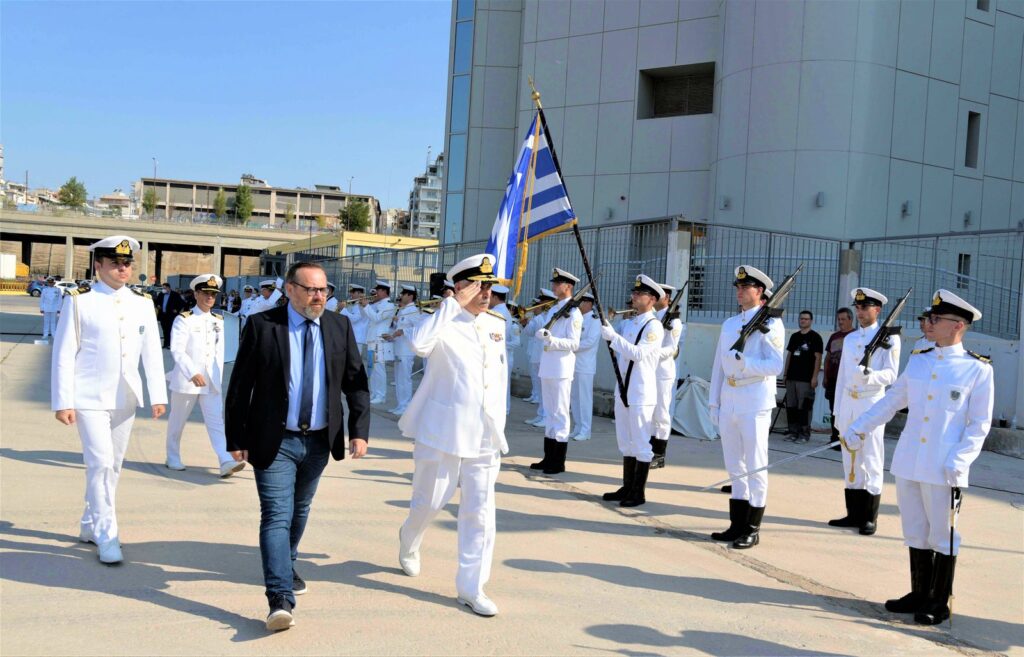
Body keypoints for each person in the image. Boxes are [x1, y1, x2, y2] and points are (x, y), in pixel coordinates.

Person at [225, 261, 370, 632]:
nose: (319, 296)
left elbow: (355, 382)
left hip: (319, 440)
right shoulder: (263, 325)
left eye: (324, 290)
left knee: (300, 507)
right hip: (275, 440)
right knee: (276, 513)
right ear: (290, 289)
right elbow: (241, 385)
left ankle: (286, 563)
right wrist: (235, 437)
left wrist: (359, 430)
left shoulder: (339, 326)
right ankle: (279, 597)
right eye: (311, 289)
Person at [846, 289, 992, 626]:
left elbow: (979, 425)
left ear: (957, 325)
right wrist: (859, 427)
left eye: (936, 318)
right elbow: (892, 401)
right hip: (910, 461)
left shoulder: (977, 370)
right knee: (914, 530)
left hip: (943, 467)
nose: (929, 323)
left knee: (943, 534)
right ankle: (919, 593)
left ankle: (939, 601)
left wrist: (961, 460)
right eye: (930, 317)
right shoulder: (920, 359)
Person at [396, 254, 508, 617]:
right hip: (444, 430)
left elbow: (498, 378)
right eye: (477, 286)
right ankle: (410, 537)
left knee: (480, 512)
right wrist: (451, 305)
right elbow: (418, 345)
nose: (485, 293)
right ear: (459, 287)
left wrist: (499, 423)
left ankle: (472, 587)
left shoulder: (496, 324)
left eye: (489, 286)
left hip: (485, 433)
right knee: (430, 502)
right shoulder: (441, 321)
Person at [51, 235, 167, 564]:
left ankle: (90, 523)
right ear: (98, 265)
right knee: (100, 464)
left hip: (125, 397)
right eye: (115, 263)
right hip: (88, 395)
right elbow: (64, 353)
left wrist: (157, 394)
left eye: (127, 263)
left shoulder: (142, 302)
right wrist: (63, 400)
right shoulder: (80, 301)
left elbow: (152, 352)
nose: (123, 269)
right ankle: (107, 534)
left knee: (113, 466)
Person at [708, 265, 784, 550]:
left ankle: (752, 528)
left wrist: (746, 363)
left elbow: (776, 365)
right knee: (734, 465)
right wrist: (713, 400)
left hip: (754, 400)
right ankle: (736, 524)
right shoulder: (730, 324)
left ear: (759, 291)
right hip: (730, 398)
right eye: (738, 287)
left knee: (755, 464)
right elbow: (718, 364)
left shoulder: (771, 324)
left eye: (745, 287)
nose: (739, 292)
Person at [828, 289, 902, 535]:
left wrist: (870, 376)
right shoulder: (850, 339)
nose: (860, 312)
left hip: (870, 404)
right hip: (848, 403)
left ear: (877, 310)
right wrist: (838, 411)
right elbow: (842, 377)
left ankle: (869, 517)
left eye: (865, 307)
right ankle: (853, 514)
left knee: (870, 458)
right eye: (858, 308)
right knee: (849, 459)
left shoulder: (889, 338)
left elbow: (891, 375)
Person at [164, 274, 243, 478]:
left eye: (213, 294)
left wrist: (218, 377)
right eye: (206, 293)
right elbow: (177, 350)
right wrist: (192, 372)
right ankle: (172, 456)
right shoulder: (184, 319)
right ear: (196, 294)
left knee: (216, 422)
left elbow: (219, 352)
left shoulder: (218, 320)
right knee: (177, 421)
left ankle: (225, 460)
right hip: (187, 380)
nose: (210, 297)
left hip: (211, 381)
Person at [600, 276, 665, 507]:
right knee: (625, 442)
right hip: (623, 389)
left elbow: (638, 354)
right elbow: (622, 353)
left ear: (652, 299)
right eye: (634, 293)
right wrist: (610, 335)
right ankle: (627, 486)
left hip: (640, 392)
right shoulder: (631, 323)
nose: (634, 297)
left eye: (640, 294)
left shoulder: (653, 326)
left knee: (640, 443)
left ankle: (638, 492)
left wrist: (613, 338)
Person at [530, 269, 582, 475]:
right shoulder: (554, 309)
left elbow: (574, 343)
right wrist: (542, 334)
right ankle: (548, 457)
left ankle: (558, 461)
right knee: (550, 412)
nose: (553, 286)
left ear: (568, 287)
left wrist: (551, 340)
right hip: (548, 366)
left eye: (557, 283)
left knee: (560, 412)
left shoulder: (574, 313)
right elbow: (545, 331)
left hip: (561, 368)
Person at [651, 282, 686, 467]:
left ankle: (659, 454)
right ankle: (648, 449)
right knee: (650, 413)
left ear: (667, 298)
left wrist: (650, 352)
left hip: (663, 373)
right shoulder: (652, 317)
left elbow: (671, 349)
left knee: (661, 413)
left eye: (658, 295)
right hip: (649, 371)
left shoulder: (674, 321)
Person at [783, 310, 823, 443]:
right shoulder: (794, 336)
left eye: (806, 319)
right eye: (801, 318)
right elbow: (789, 355)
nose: (803, 321)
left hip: (806, 379)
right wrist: (785, 374)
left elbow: (818, 358)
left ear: (811, 321)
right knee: (791, 406)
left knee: (804, 407)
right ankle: (793, 432)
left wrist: (814, 377)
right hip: (791, 378)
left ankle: (804, 434)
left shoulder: (815, 337)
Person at [569, 293, 600, 441]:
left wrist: (572, 346)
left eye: (581, 302)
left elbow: (590, 342)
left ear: (589, 303)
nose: (579, 305)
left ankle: (586, 430)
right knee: (574, 397)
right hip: (573, 363)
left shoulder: (595, 320)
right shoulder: (576, 318)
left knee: (584, 399)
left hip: (585, 365)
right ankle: (577, 427)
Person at [823, 308, 854, 450]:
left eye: (843, 319)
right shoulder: (834, 337)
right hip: (833, 379)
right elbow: (828, 358)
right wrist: (825, 376)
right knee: (833, 410)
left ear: (850, 320)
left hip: (848, 381)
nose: (840, 322)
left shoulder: (855, 336)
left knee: (846, 411)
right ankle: (834, 439)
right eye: (839, 319)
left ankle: (845, 439)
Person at [523, 289, 555, 423]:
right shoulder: (539, 317)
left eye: (543, 301)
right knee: (540, 387)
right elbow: (530, 333)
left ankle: (546, 417)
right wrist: (524, 323)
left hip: (547, 355)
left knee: (546, 389)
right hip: (537, 355)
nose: (540, 303)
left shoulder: (553, 316)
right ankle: (541, 414)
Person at [387, 284, 421, 414]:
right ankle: (400, 404)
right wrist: (392, 334)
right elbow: (399, 327)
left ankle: (406, 406)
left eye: (403, 294)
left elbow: (418, 328)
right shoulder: (403, 310)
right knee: (398, 379)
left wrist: (403, 331)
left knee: (404, 379)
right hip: (399, 347)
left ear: (410, 296)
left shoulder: (413, 311)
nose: (401, 296)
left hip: (406, 350)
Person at [362, 280, 396, 405]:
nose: (376, 293)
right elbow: (367, 316)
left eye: (378, 290)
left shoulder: (389, 305)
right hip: (372, 338)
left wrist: (366, 306)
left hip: (379, 339)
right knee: (372, 367)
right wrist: (363, 306)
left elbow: (376, 318)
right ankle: (375, 393)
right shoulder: (377, 304)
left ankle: (381, 395)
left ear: (384, 291)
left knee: (379, 368)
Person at [489, 284, 521, 414]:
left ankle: (502, 409)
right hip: (501, 353)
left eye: (489, 295)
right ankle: (503, 409)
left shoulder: (497, 313)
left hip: (497, 352)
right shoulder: (503, 311)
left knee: (498, 384)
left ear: (494, 297)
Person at [340, 284, 369, 361]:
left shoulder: (362, 306)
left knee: (355, 360)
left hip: (357, 337)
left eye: (353, 292)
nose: (351, 294)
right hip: (349, 335)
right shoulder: (351, 304)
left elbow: (354, 319)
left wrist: (343, 310)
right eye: (350, 292)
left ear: (359, 293)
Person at [155, 281, 186, 348]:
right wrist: (158, 305)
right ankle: (165, 344)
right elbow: (157, 301)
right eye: (163, 288)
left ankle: (170, 344)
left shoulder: (175, 295)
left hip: (171, 315)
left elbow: (182, 303)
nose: (163, 289)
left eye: (165, 288)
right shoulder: (161, 294)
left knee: (170, 330)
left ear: (168, 288)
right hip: (163, 315)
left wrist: (177, 309)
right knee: (164, 330)